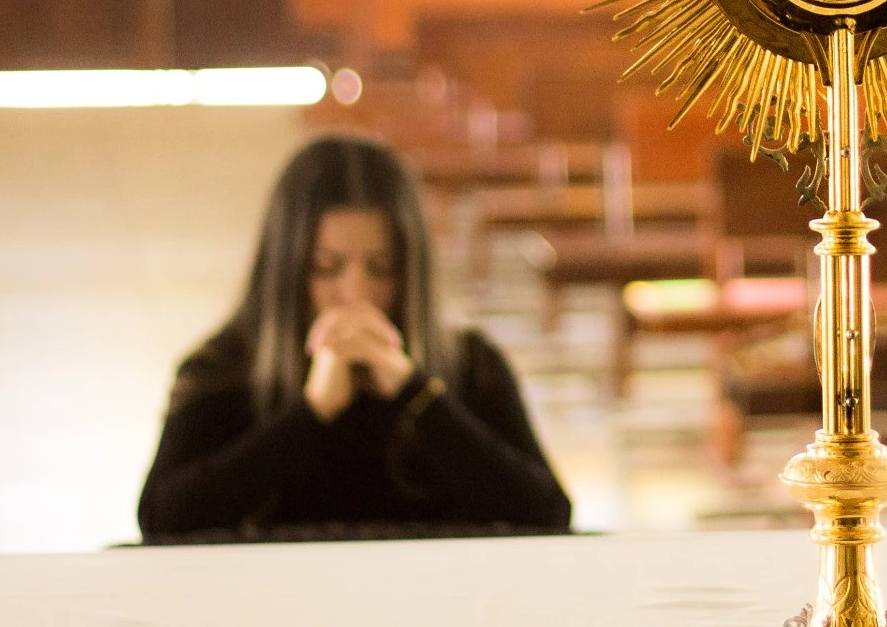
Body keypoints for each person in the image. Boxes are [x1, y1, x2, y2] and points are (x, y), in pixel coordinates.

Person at [138, 136, 571, 542]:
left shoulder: (471, 364)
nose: (356, 295)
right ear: (287, 269)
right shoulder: (222, 367)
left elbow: (548, 512)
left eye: (382, 269)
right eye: (326, 268)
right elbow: (160, 519)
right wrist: (311, 412)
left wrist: (417, 395)